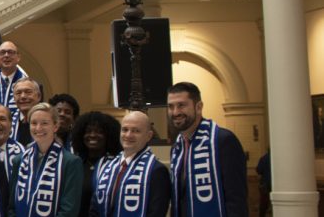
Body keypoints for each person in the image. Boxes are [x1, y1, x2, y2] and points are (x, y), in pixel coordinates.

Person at [167, 82, 247, 217]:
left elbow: (236, 198)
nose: (175, 112)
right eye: (171, 106)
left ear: (198, 107)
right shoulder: (177, 148)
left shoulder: (223, 140)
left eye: (181, 105)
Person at [90, 111, 171, 217]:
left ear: (149, 136)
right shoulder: (107, 167)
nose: (128, 135)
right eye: (125, 130)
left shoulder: (157, 171)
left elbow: (156, 213)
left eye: (136, 131)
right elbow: (94, 208)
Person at [10, 103, 83, 217]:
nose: (38, 128)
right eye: (34, 123)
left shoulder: (71, 162)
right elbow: (11, 206)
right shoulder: (19, 160)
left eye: (44, 123)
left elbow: (69, 210)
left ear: (55, 126)